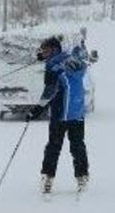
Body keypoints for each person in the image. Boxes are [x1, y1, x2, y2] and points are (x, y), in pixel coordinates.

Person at [32, 36, 89, 194]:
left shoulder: (52, 66)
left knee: (53, 147)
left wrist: (37, 109)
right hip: (77, 113)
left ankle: (47, 178)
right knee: (78, 146)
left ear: (54, 50)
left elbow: (50, 90)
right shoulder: (71, 60)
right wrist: (43, 58)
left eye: (45, 50)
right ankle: (82, 177)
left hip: (60, 113)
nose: (43, 53)